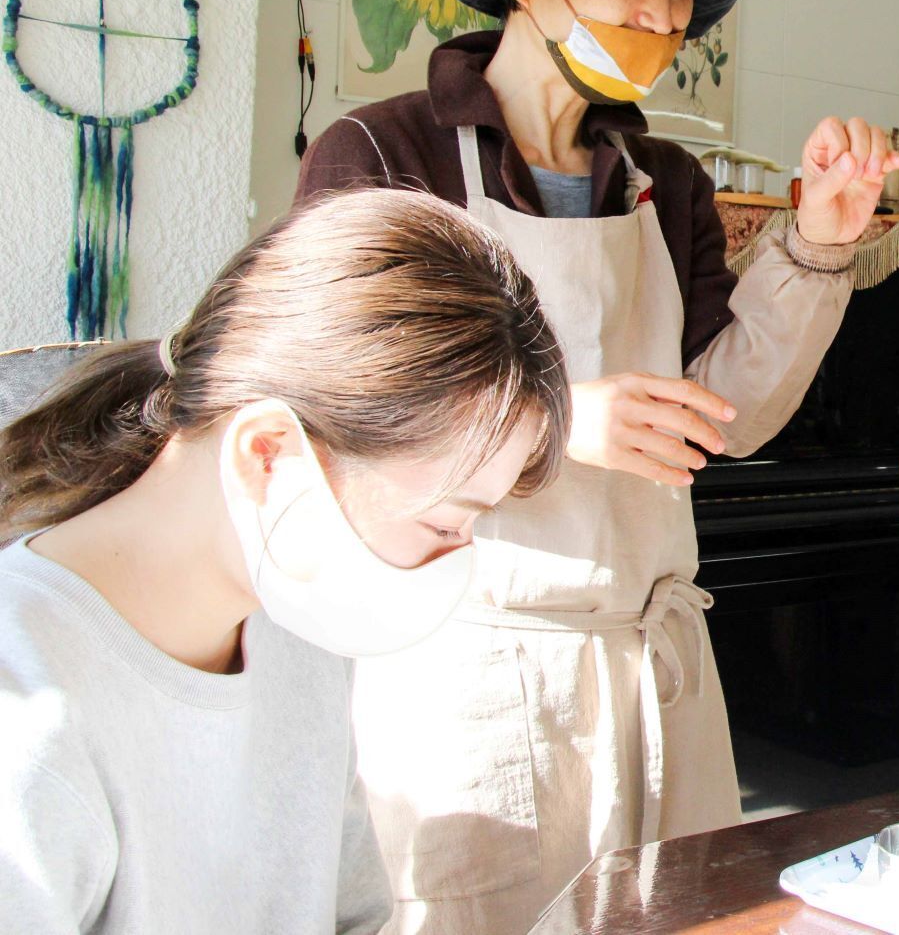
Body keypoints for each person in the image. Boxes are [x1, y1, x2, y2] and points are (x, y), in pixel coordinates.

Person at [296, 0, 899, 930]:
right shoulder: (384, 154)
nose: (663, 14)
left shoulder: (666, 181)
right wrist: (551, 418)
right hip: (476, 684)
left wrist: (820, 238)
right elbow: (329, 404)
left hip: (659, 674)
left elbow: (730, 416)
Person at [0, 189, 571, 934]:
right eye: (443, 523)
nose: (456, 561)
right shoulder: (28, 715)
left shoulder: (296, 630)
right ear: (268, 454)